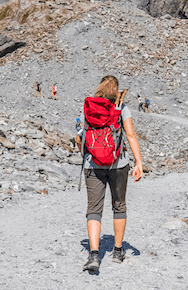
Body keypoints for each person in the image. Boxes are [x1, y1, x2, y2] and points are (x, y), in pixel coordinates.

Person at [77, 75, 143, 272]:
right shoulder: (121, 108)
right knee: (119, 205)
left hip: (92, 165)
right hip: (118, 164)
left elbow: (80, 137)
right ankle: (117, 250)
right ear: (117, 90)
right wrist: (139, 162)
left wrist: (87, 156)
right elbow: (130, 134)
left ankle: (94, 255)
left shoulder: (88, 107)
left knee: (94, 209)